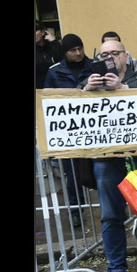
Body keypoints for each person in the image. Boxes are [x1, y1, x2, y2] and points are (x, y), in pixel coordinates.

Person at [79, 38, 137, 272]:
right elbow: (70, 104)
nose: (110, 59)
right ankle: (117, 269)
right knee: (110, 216)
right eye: (104, 55)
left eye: (115, 54)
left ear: (126, 56)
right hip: (106, 159)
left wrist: (124, 88)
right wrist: (85, 89)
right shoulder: (90, 79)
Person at [45, 34, 94, 221]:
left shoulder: (94, 66)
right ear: (65, 52)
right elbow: (48, 101)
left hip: (94, 129)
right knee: (73, 176)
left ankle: (114, 208)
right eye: (73, 50)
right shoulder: (54, 72)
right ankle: (76, 213)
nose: (78, 53)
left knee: (103, 172)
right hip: (69, 132)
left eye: (80, 48)